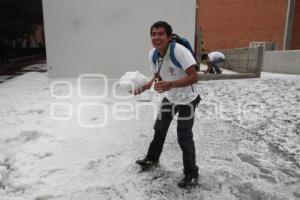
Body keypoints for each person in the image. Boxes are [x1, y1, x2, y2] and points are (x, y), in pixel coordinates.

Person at [132, 21, 201, 188]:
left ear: (169, 37)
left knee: (184, 136)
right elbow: (157, 75)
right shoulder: (153, 54)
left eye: (161, 34)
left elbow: (194, 77)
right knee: (159, 129)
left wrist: (170, 84)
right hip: (171, 98)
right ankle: (152, 159)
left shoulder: (180, 51)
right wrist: (145, 87)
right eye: (153, 34)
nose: (157, 37)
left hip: (188, 99)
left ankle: (191, 174)